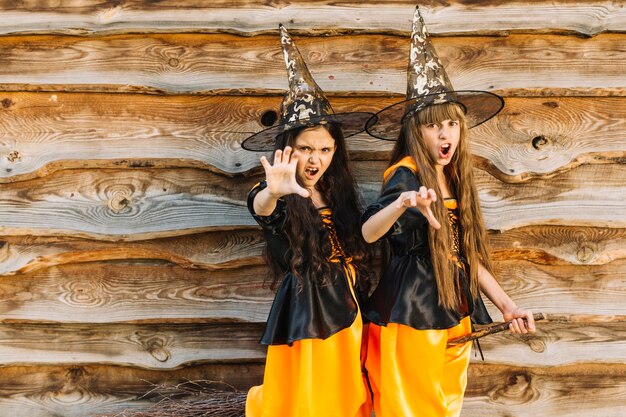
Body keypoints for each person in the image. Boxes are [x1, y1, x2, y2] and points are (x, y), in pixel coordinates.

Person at [360, 6, 536, 417]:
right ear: (414, 131)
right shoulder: (405, 175)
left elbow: (464, 255)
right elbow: (369, 233)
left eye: (452, 124)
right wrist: (403, 204)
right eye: (433, 125)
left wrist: (507, 306)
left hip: (455, 310)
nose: (445, 134)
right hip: (411, 311)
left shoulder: (455, 178)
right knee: (408, 410)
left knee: (443, 408)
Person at [242, 24, 374, 417]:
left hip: (348, 307)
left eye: (324, 149)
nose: (315, 159)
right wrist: (274, 192)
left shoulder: (338, 193)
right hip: (308, 311)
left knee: (348, 396)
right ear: (288, 148)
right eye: (304, 149)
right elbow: (262, 209)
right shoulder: (277, 191)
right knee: (311, 399)